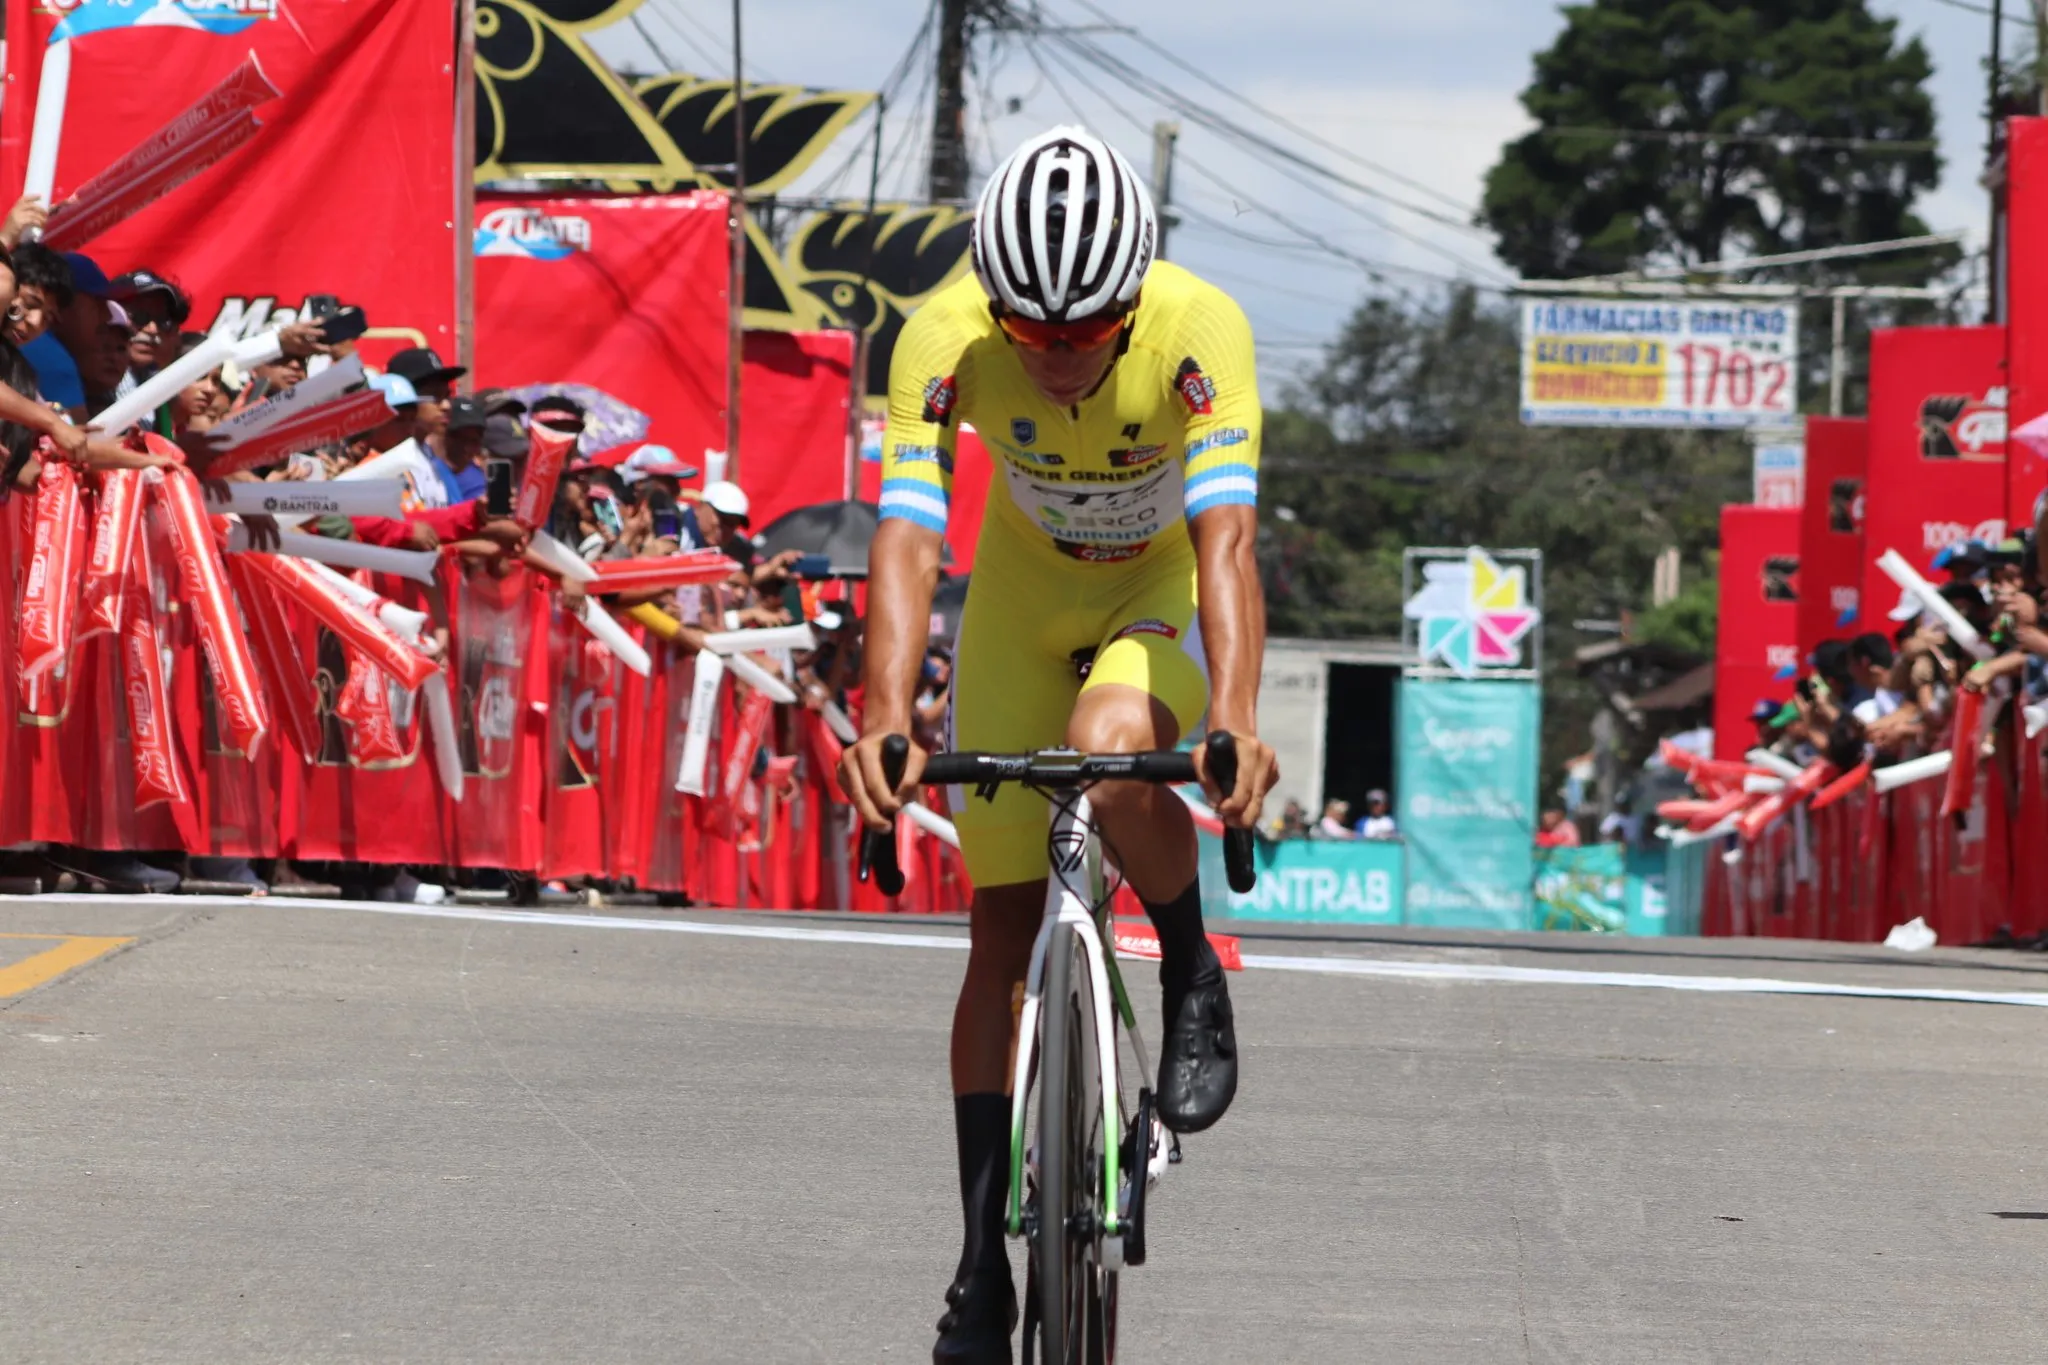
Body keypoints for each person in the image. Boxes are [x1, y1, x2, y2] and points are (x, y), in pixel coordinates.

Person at [834, 126, 1277, 1361]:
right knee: (993, 936)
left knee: (1109, 737)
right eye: (1033, 338)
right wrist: (884, 718)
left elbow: (1226, 540)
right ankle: (980, 1261)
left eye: (1088, 335)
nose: (1062, 358)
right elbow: (909, 540)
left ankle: (1187, 967)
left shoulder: (1200, 329)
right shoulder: (940, 335)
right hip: (1021, 604)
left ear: (1133, 303)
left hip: (1151, 592)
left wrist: (1234, 715)